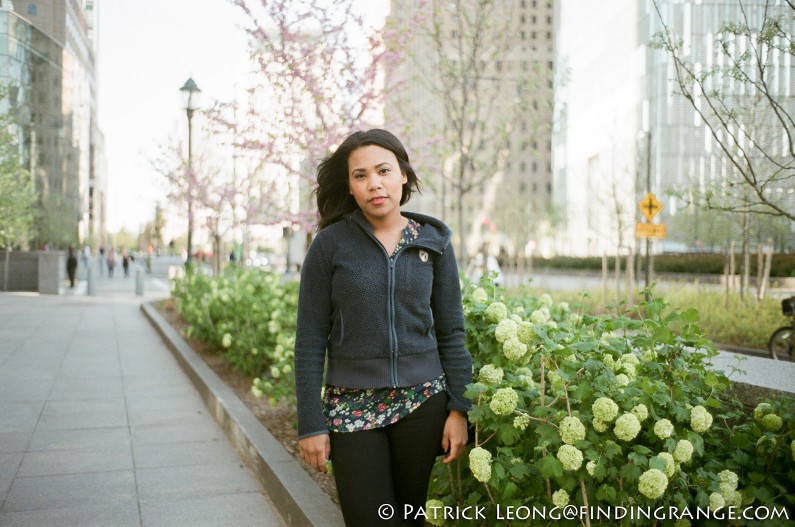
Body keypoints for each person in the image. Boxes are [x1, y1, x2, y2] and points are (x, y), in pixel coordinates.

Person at [294, 129, 473, 526]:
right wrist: (310, 423)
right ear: (351, 188)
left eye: (383, 170)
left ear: (403, 176)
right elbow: (308, 340)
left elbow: (451, 331)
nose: (374, 182)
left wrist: (460, 407)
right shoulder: (330, 245)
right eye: (360, 176)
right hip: (351, 404)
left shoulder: (433, 243)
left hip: (422, 403)